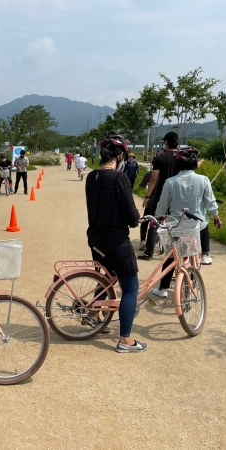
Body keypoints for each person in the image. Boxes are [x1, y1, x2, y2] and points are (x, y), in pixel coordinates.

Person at [85, 131, 147, 353]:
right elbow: (131, 217)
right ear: (120, 156)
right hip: (116, 240)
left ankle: (94, 313)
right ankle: (125, 340)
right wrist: (137, 218)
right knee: (130, 288)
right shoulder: (119, 178)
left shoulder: (91, 177)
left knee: (106, 278)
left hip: (95, 238)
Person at [151, 148, 222, 299]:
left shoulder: (170, 182)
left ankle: (163, 288)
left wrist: (156, 218)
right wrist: (216, 218)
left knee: (172, 256)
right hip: (196, 227)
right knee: (203, 223)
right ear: (195, 164)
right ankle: (206, 254)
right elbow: (210, 203)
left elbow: (162, 205)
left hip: (177, 226)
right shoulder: (203, 180)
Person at [138, 131, 180, 261]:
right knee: (177, 222)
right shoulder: (181, 157)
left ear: (166, 142)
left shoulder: (160, 158)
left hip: (162, 194)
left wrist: (148, 196)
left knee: (155, 221)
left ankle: (149, 252)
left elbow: (153, 178)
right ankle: (176, 252)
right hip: (178, 195)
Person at [137, 167, 153, 251]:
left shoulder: (150, 174)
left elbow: (142, 184)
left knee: (145, 220)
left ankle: (143, 240)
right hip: (163, 201)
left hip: (150, 200)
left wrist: (140, 184)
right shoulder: (167, 174)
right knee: (160, 221)